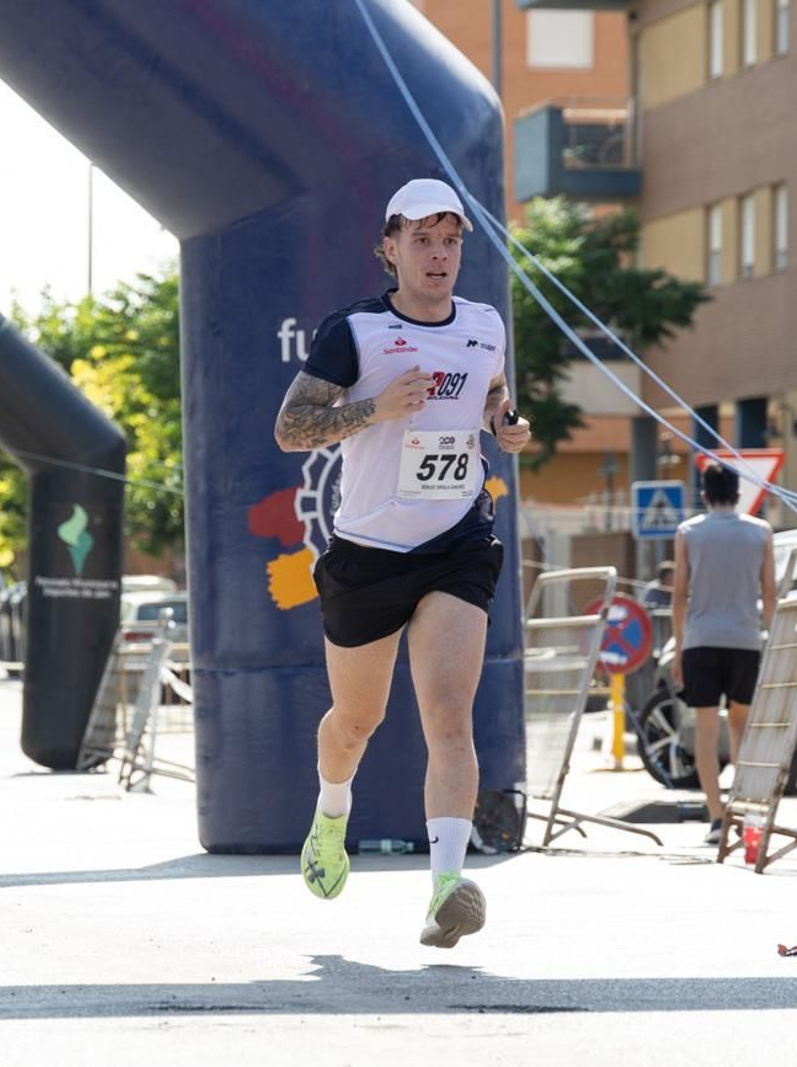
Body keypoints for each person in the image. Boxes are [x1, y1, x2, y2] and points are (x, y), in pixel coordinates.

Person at [273, 177, 532, 948]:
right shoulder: (355, 332)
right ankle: (331, 811)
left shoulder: (484, 325)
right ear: (390, 249)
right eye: (422, 240)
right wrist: (375, 409)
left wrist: (505, 424)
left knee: (449, 716)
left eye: (451, 240)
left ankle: (447, 887)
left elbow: (493, 397)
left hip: (456, 543)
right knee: (357, 721)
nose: (439, 255)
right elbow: (291, 428)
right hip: (368, 553)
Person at [671, 465, 776, 845]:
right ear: (738, 494)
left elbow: (679, 596)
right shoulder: (760, 532)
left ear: (704, 495)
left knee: (705, 729)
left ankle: (716, 818)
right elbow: (770, 595)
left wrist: (679, 648)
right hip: (745, 640)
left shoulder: (688, 533)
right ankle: (746, 812)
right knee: (740, 726)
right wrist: (774, 640)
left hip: (701, 640)